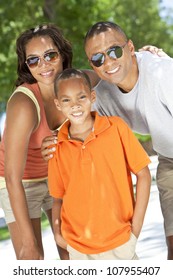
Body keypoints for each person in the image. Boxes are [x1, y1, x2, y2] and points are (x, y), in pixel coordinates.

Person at [0, 24, 98, 260]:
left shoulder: (77, 82)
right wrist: (29, 242)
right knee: (32, 259)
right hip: (20, 184)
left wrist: (143, 55)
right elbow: (12, 178)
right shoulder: (24, 105)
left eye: (50, 55)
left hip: (57, 175)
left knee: (73, 251)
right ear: (26, 66)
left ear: (62, 54)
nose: (43, 65)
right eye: (33, 60)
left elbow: (108, 71)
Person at [83, 21, 173, 260]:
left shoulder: (163, 73)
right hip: (169, 159)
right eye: (98, 58)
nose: (109, 62)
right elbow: (79, 127)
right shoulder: (102, 95)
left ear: (130, 48)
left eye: (114, 51)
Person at [48, 68, 151, 260]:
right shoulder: (57, 146)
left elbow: (143, 174)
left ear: (92, 96)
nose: (75, 105)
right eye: (66, 100)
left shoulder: (116, 128)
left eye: (81, 97)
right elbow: (58, 199)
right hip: (79, 251)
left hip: (121, 244)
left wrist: (134, 232)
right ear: (58, 104)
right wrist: (59, 236)